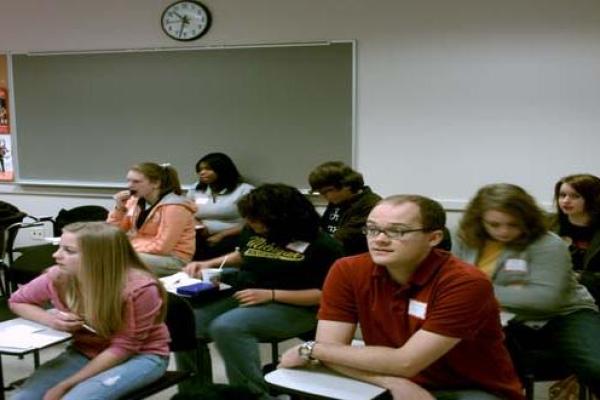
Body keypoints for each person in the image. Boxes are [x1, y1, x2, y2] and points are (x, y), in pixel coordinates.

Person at [280, 195, 524, 400]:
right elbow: (331, 350)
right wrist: (389, 381)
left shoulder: (465, 282)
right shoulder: (347, 270)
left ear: (434, 238)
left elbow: (405, 362)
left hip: (470, 388)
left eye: (397, 231)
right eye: (373, 228)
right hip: (393, 379)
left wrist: (310, 349)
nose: (380, 239)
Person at [180, 183, 344, 399]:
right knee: (185, 321)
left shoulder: (323, 245)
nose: (249, 223)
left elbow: (325, 296)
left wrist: (272, 294)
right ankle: (196, 391)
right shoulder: (254, 229)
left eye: (256, 220)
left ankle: (252, 395)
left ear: (282, 218)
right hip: (252, 293)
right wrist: (210, 264)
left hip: (300, 307)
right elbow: (246, 255)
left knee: (228, 327)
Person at [452, 183, 600, 396]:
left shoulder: (548, 244)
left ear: (527, 219)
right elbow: (453, 283)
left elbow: (546, 299)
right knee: (477, 371)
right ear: (479, 220)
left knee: (596, 367)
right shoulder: (465, 237)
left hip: (565, 314)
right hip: (500, 318)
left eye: (513, 224)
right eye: (494, 224)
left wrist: (475, 292)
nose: (503, 231)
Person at [8, 222, 170, 400]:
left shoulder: (139, 288)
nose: (56, 255)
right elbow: (17, 301)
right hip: (86, 351)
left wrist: (66, 385)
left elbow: (125, 347)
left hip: (141, 356)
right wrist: (50, 320)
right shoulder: (59, 276)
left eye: (69, 251)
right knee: (23, 398)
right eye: (59, 247)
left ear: (99, 257)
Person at [107, 162, 196, 276]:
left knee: (116, 259)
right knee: (100, 255)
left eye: (136, 181)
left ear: (156, 183)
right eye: (128, 181)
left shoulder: (174, 207)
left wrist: (128, 248)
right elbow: (113, 233)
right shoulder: (135, 201)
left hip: (173, 259)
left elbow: (162, 247)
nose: (129, 186)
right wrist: (119, 208)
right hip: (142, 252)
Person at [187, 152, 254, 260]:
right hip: (201, 234)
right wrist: (200, 227)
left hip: (233, 235)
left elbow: (252, 221)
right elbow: (187, 213)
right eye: (200, 170)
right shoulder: (196, 190)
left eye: (208, 169)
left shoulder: (245, 190)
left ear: (222, 170)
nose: (202, 173)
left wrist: (221, 235)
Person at [308, 161, 381, 255]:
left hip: (350, 258)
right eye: (320, 192)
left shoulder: (370, 204)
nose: (323, 196)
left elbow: (344, 238)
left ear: (347, 185)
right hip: (331, 253)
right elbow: (323, 229)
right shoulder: (338, 199)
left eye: (327, 191)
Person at [551, 173, 600, 302]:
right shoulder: (547, 225)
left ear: (592, 199)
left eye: (575, 196)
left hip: (593, 297)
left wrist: (579, 277)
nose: (566, 201)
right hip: (554, 293)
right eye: (562, 195)